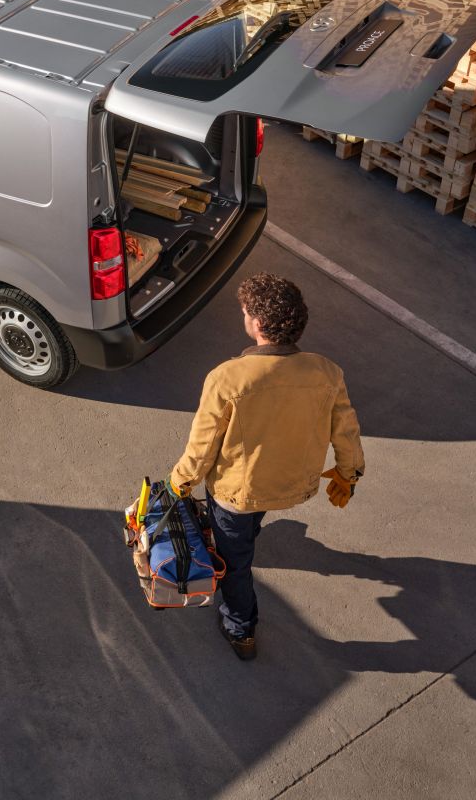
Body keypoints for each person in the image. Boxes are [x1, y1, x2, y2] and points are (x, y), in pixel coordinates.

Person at [170, 273, 365, 661]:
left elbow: (203, 447)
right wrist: (349, 473)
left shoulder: (227, 378)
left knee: (235, 565)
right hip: (292, 484)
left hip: (238, 494)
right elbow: (346, 431)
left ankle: (240, 628)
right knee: (250, 522)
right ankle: (248, 533)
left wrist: (180, 482)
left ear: (257, 323)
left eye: (245, 312)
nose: (243, 316)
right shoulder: (327, 372)